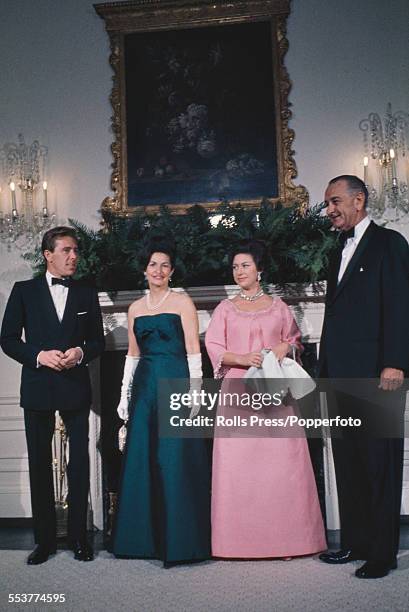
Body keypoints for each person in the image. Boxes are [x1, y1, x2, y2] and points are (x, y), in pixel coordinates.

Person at [205, 239, 326, 559]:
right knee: (238, 467)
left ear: (260, 269)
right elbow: (214, 348)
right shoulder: (224, 309)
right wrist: (244, 359)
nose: (239, 271)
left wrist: (287, 347)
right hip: (237, 393)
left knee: (281, 463)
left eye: (245, 265)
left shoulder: (279, 307)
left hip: (275, 393)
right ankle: (235, 544)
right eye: (235, 266)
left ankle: (291, 541)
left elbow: (294, 341)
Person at [318, 175, 409, 579]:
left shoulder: (390, 244)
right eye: (327, 204)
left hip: (378, 374)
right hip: (339, 374)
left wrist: (396, 362)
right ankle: (356, 542)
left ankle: (383, 554)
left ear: (359, 200)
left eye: (336, 201)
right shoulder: (335, 248)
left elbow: (401, 306)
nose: (330, 210)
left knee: (378, 464)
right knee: (349, 462)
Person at [0, 226, 105, 565]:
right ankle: (44, 542)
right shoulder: (24, 290)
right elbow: (8, 338)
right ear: (48, 254)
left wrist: (80, 353)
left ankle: (78, 538)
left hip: (75, 387)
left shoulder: (87, 292)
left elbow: (98, 343)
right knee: (40, 465)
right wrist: (38, 356)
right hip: (38, 388)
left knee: (79, 465)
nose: (74, 256)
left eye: (76, 251)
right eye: (66, 251)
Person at [112, 236, 210, 566]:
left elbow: (194, 351)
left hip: (176, 381)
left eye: (164, 265)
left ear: (171, 271)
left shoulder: (183, 302)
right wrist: (125, 399)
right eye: (153, 264)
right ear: (144, 269)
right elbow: (132, 355)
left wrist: (196, 393)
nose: (158, 270)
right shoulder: (135, 309)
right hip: (144, 389)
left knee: (174, 460)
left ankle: (182, 543)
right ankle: (141, 542)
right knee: (142, 459)